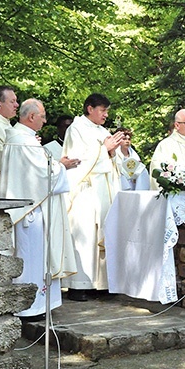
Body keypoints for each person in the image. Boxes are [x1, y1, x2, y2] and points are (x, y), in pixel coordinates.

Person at [0, 99, 79, 319]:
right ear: (31, 117)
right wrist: (62, 165)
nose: (45, 121)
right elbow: (43, 174)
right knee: (32, 258)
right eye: (42, 116)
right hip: (30, 213)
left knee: (36, 257)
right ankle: (30, 307)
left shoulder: (20, 137)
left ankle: (38, 304)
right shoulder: (23, 141)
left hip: (29, 208)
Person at [62, 93, 125, 301]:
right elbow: (77, 160)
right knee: (85, 237)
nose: (106, 115)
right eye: (102, 110)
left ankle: (101, 284)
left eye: (107, 111)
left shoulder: (103, 131)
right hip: (86, 191)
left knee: (105, 235)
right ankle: (78, 286)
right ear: (90, 109)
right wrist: (103, 150)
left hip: (104, 191)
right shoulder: (76, 129)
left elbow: (112, 161)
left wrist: (113, 153)